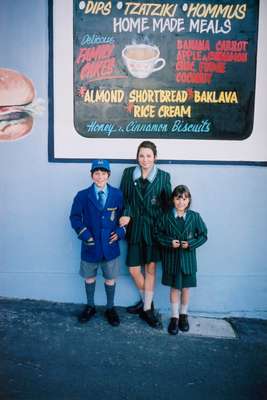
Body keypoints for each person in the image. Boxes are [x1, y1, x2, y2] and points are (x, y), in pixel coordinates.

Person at [119, 141, 172, 328]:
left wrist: (164, 228)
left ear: (155, 157)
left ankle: (147, 308)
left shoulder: (164, 177)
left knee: (150, 270)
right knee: (134, 269)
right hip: (134, 228)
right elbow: (124, 198)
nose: (145, 159)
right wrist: (126, 213)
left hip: (153, 230)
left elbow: (167, 207)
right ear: (137, 157)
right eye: (141, 156)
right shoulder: (128, 174)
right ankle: (147, 304)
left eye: (149, 156)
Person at [70, 160, 125, 327]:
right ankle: (90, 306)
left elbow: (123, 216)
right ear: (91, 175)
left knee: (110, 278)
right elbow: (75, 217)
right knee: (89, 277)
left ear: (108, 175)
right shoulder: (82, 195)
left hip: (110, 246)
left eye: (103, 173)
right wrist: (85, 235)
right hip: (90, 245)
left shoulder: (117, 194)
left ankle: (110, 308)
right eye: (96, 173)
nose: (100, 176)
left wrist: (121, 232)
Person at [156, 185, 208, 335]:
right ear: (173, 200)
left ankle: (183, 315)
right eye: (178, 199)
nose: (181, 202)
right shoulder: (165, 217)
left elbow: (203, 235)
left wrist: (190, 244)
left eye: (184, 199)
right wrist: (168, 242)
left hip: (188, 261)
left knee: (185, 288)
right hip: (171, 260)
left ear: (188, 200)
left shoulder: (195, 217)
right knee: (174, 288)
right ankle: (174, 317)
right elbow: (157, 234)